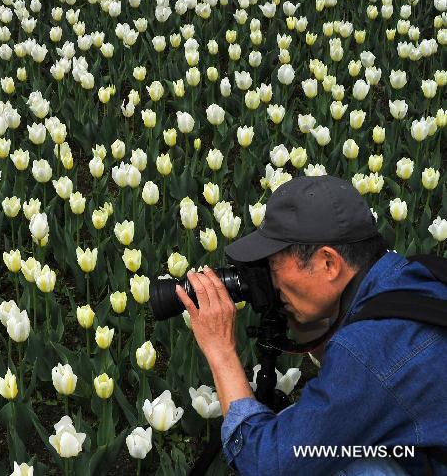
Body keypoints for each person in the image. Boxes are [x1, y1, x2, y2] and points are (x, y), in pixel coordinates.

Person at [175, 175, 447, 476]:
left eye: (274, 265)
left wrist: (221, 352)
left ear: (328, 263)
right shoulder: (419, 276)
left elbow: (267, 463)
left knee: (325, 461)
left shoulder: (367, 349)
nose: (271, 281)